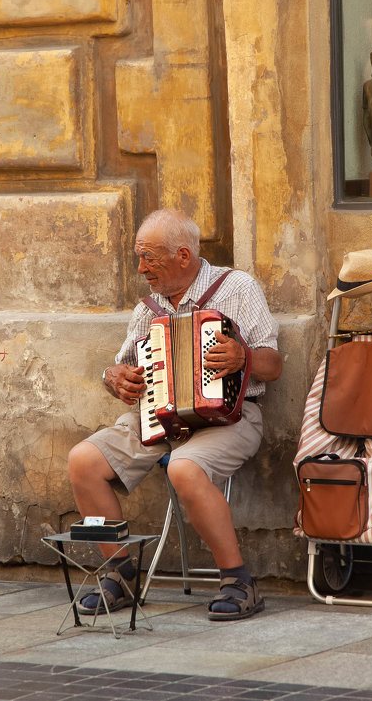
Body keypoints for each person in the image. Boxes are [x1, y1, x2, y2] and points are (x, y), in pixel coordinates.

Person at [67, 209, 282, 621]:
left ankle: (239, 582)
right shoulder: (148, 309)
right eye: (139, 257)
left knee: (183, 468)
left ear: (183, 255)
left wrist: (243, 357)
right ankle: (120, 574)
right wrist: (113, 378)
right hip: (158, 416)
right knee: (84, 461)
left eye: (149, 257)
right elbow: (122, 368)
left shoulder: (237, 288)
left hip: (233, 417)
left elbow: (273, 365)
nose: (140, 268)